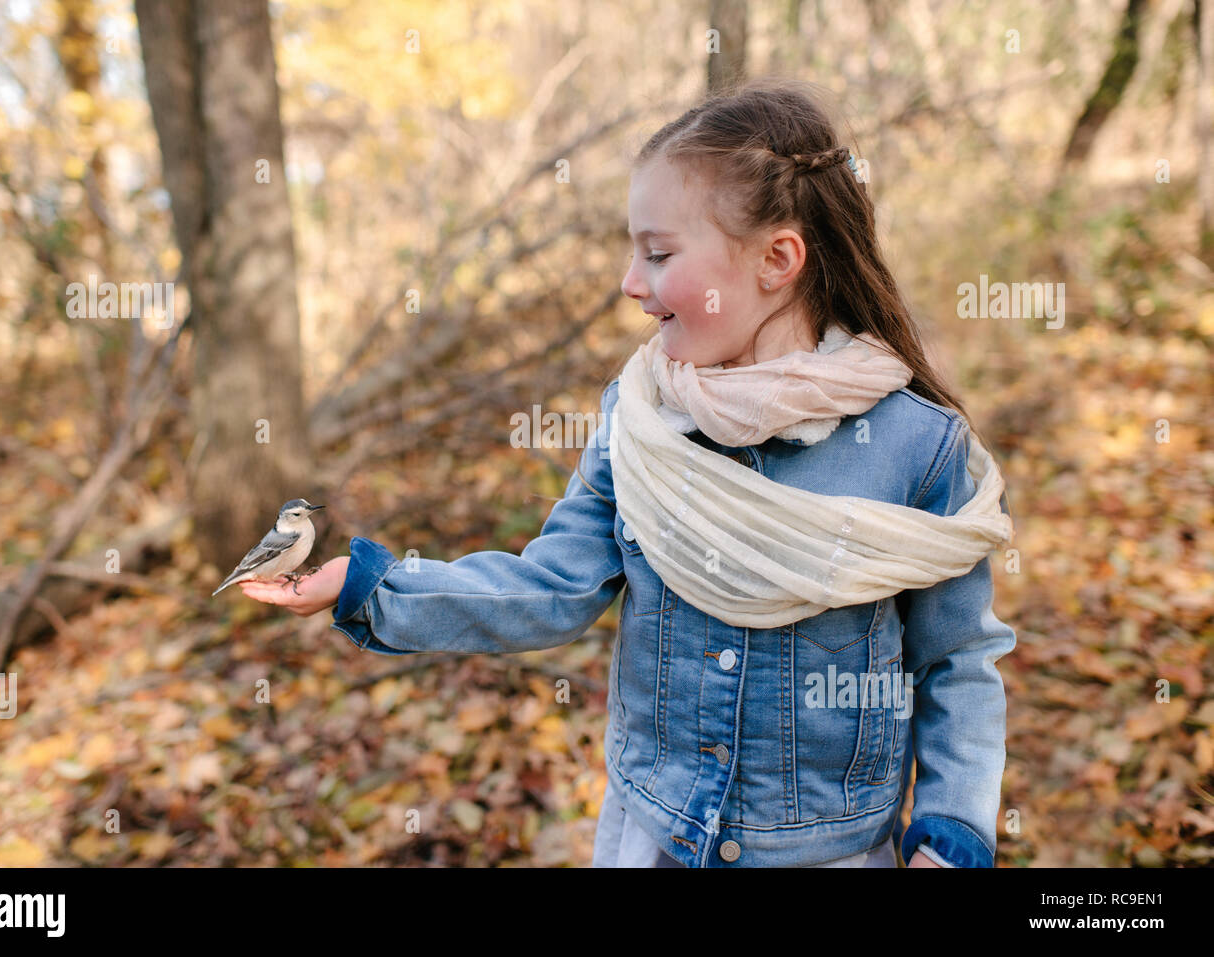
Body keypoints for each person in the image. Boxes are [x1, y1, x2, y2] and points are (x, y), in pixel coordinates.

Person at [239, 77, 1017, 869]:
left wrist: (952, 833)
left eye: (659, 253)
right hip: (655, 838)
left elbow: (957, 661)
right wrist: (370, 586)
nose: (629, 282)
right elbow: (552, 586)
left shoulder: (917, 447)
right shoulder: (640, 419)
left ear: (777, 259)